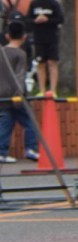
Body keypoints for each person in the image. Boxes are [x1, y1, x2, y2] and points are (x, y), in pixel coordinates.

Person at [0, 19, 39, 162]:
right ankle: (32, 148)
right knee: (30, 121)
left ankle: (1, 151)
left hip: (2, 94)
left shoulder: (2, 52)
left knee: (6, 122)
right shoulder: (20, 54)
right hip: (16, 94)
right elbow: (19, 74)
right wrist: (20, 94)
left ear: (7, 36)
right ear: (24, 36)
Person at [27, 0, 64, 97]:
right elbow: (28, 20)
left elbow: (60, 19)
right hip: (39, 38)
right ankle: (42, 90)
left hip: (51, 37)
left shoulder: (53, 3)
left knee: (52, 62)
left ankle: (53, 90)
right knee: (40, 63)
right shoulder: (34, 3)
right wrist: (36, 20)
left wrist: (47, 20)